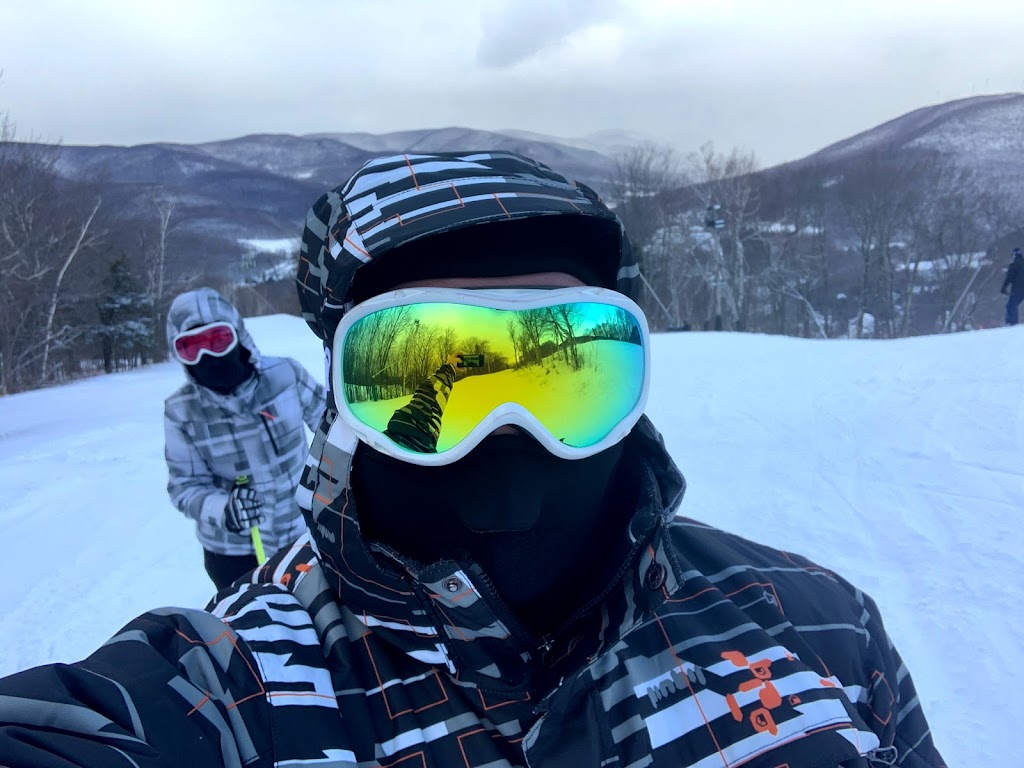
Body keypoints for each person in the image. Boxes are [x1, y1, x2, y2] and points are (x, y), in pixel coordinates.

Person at [0, 153, 945, 767]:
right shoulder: (235, 694)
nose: (506, 429)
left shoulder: (818, 627)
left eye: (564, 360)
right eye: (425, 364)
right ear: (344, 389)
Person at [163, 287, 326, 589]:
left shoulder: (285, 375)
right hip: (233, 553)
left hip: (300, 533)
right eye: (191, 347)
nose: (209, 355)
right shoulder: (181, 411)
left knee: (318, 614)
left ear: (238, 333)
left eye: (218, 339)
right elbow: (183, 487)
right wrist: (223, 509)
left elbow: (332, 430)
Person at [1000, 247, 1024, 325]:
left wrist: (1004, 287)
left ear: (1014, 255)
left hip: (1018, 289)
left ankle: (1011, 323)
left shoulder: (1014, 265)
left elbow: (1009, 277)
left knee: (1011, 306)